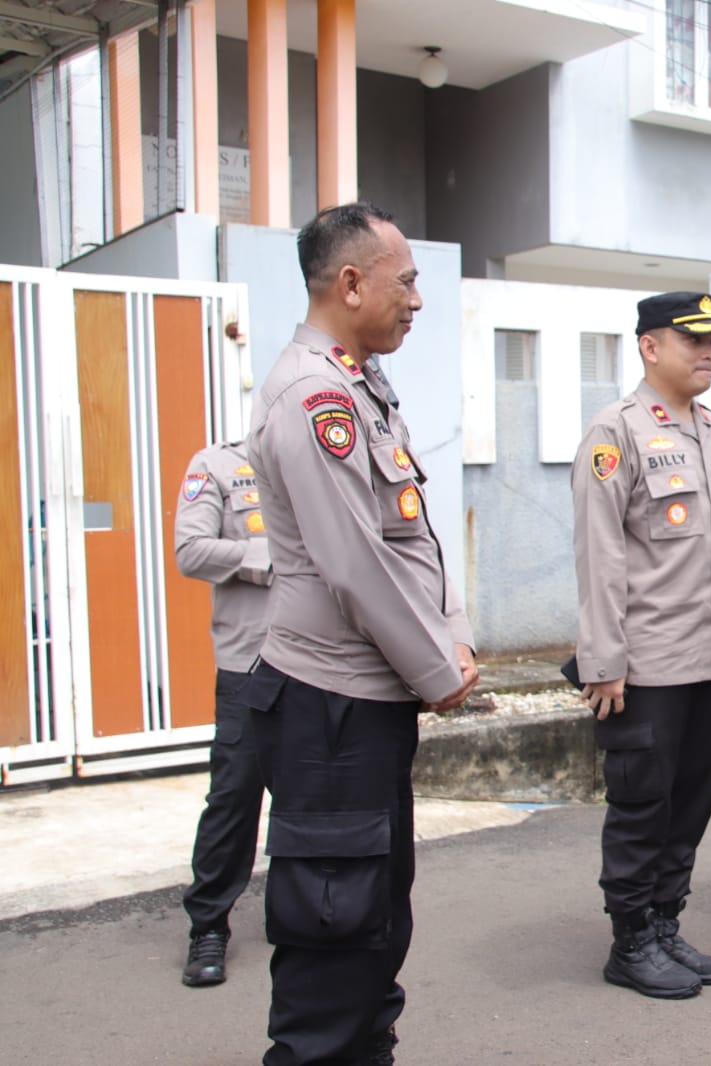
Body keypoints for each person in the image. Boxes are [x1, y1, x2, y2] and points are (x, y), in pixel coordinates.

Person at [243, 202, 478, 1066]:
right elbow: (352, 563)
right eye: (405, 281)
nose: (418, 300)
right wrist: (437, 671)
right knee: (335, 938)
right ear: (350, 283)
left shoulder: (362, 385)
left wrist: (448, 636)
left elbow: (410, 534)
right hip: (330, 709)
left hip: (361, 704)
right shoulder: (317, 397)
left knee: (375, 924)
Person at [570, 291, 711, 1000]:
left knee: (692, 803)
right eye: (692, 339)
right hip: (646, 666)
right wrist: (605, 663)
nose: (708, 351)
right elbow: (599, 555)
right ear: (650, 346)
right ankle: (630, 941)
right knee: (642, 805)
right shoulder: (614, 432)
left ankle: (665, 922)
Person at [174, 440, 273, 987]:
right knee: (235, 797)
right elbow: (190, 550)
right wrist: (261, 558)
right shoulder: (219, 466)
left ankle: (299, 914)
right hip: (249, 661)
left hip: (323, 657)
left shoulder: (322, 461)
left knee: (309, 797)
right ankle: (208, 925)